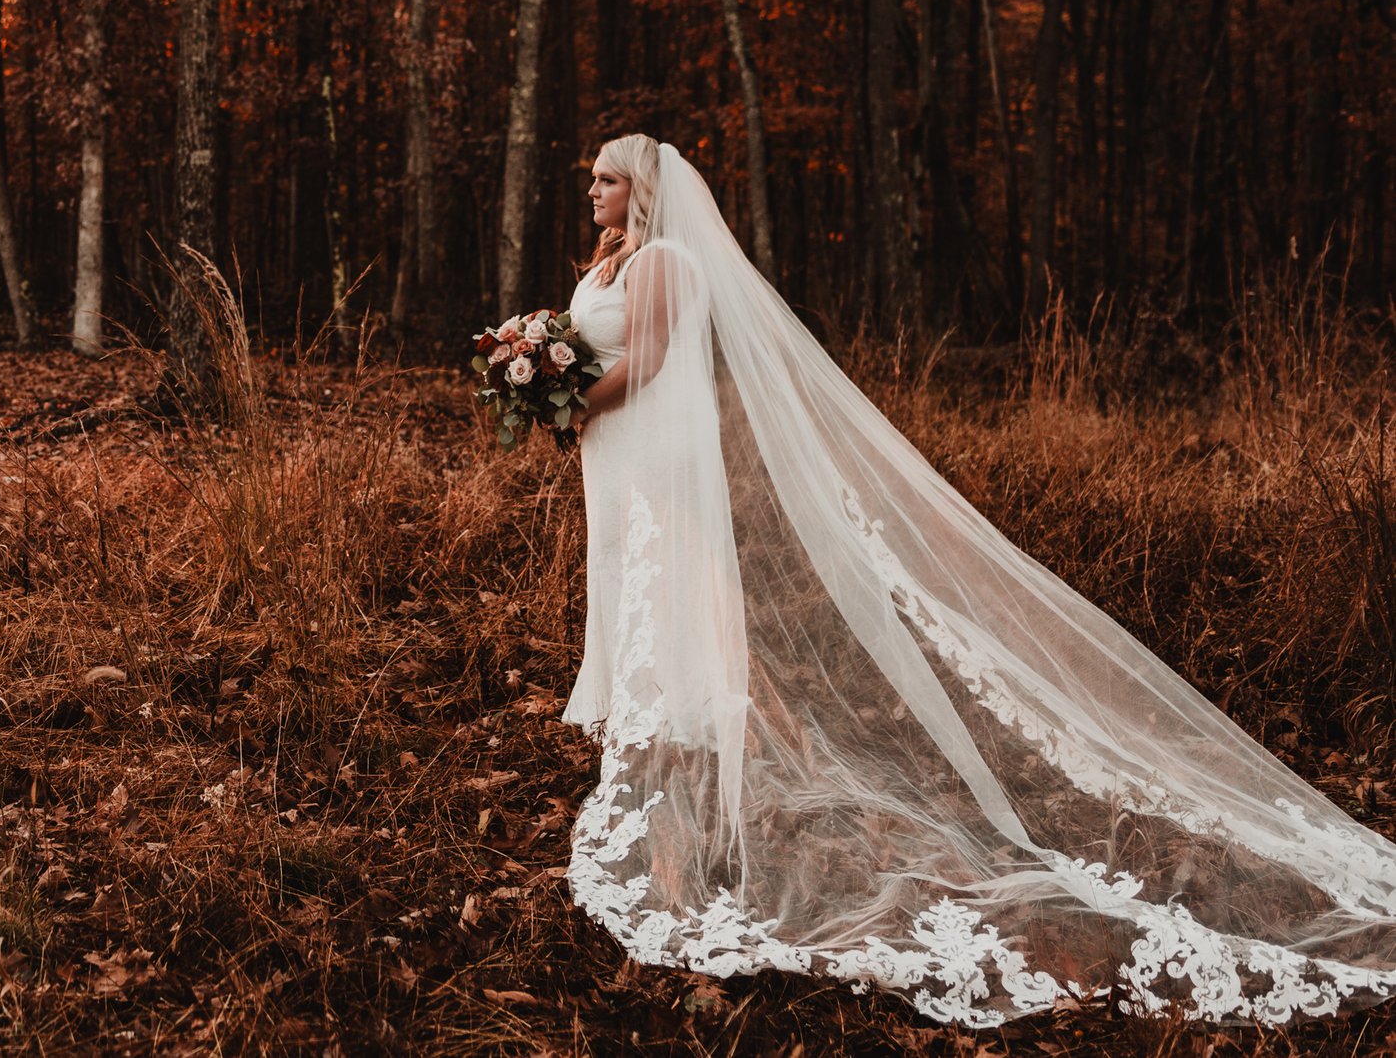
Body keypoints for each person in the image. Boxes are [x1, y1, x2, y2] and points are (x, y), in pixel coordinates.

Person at [553, 132, 1396, 1027]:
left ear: (641, 185)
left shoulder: (666, 262)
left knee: (662, 583)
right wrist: (544, 370)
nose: (594, 191)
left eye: (607, 178)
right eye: (594, 178)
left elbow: (641, 366)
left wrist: (560, 395)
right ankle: (662, 732)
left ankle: (683, 742)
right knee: (631, 584)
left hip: (651, 450)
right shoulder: (615, 258)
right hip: (620, 458)